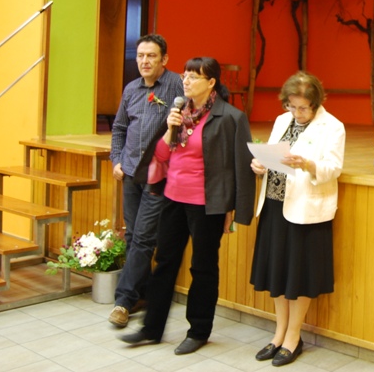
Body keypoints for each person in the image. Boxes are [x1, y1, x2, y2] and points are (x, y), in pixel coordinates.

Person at [120, 57, 256, 355]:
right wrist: (170, 129)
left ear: (211, 82)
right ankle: (151, 328)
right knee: (164, 262)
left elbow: (240, 165)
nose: (186, 81)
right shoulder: (179, 112)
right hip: (172, 198)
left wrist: (234, 209)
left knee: (202, 267)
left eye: (194, 77)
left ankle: (198, 331)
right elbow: (161, 155)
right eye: (185, 75)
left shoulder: (230, 117)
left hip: (207, 204)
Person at [249, 71, 346, 367]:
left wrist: (308, 164)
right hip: (275, 204)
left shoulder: (333, 127)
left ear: (316, 103)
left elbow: (334, 168)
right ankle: (278, 333)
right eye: (292, 106)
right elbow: (272, 156)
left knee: (299, 275)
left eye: (303, 107)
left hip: (305, 209)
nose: (297, 112)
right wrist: (260, 164)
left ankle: (294, 337)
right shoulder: (282, 120)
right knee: (277, 272)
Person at [108, 34, 184, 327]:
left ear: (164, 59)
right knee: (132, 235)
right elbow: (119, 128)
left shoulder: (176, 86)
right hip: (130, 172)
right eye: (140, 55)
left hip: (158, 175)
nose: (144, 61)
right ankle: (140, 294)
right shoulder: (131, 89)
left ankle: (123, 301)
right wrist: (116, 159)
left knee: (142, 237)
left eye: (151, 56)